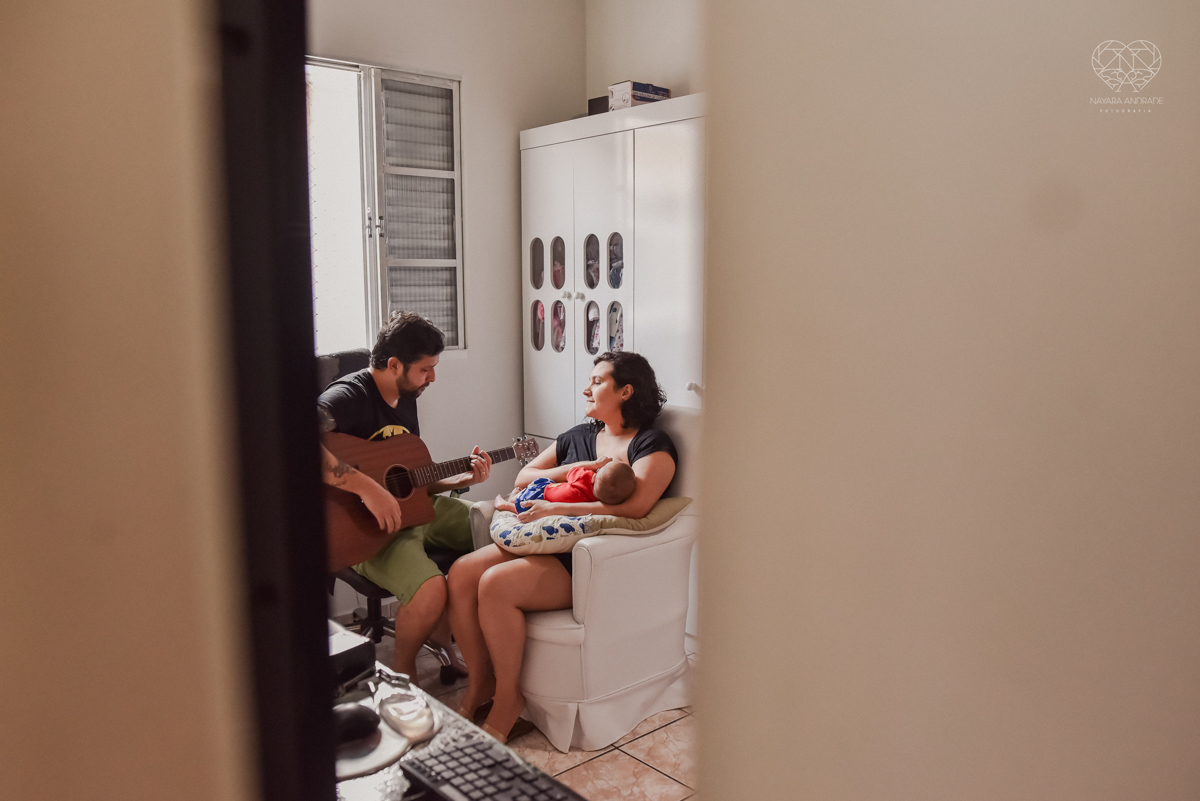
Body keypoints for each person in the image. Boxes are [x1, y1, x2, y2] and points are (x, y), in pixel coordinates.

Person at [447, 351, 677, 742]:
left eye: (597, 381)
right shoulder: (578, 436)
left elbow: (638, 505)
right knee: (462, 573)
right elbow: (524, 476)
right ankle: (480, 683)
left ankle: (507, 699)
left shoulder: (650, 444)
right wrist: (579, 470)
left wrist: (554, 506)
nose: (587, 388)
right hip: (541, 540)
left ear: (625, 391)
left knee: (495, 584)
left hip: (586, 559)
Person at [318, 311, 492, 684]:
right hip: (365, 527)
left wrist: (459, 479)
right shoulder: (348, 395)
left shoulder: (406, 393)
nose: (433, 377)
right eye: (426, 369)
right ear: (394, 364)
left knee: (492, 524)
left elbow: (410, 478)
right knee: (429, 591)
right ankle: (403, 668)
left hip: (415, 511)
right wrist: (366, 488)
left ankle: (451, 640)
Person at [493, 459, 637, 514]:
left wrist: (595, 464)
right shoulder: (595, 500)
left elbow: (572, 469)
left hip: (544, 494)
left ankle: (507, 504)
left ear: (595, 475)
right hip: (556, 503)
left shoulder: (585, 478)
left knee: (526, 500)